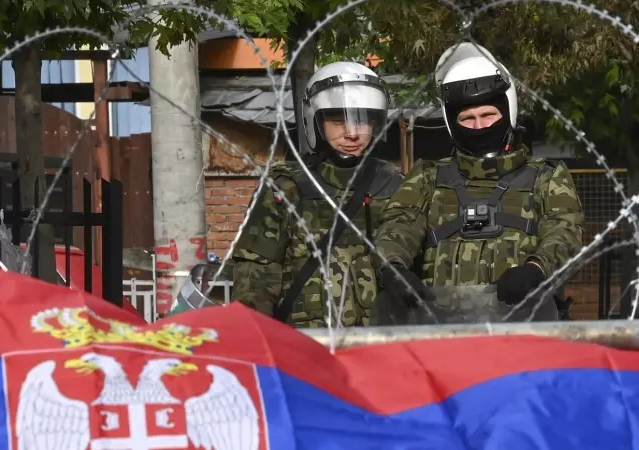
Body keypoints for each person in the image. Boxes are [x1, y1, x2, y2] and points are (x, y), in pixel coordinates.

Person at [374, 43, 584, 324]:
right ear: (452, 123)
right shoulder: (427, 177)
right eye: (467, 118)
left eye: (488, 115)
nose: (479, 126)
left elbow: (565, 231)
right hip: (443, 333)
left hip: (524, 331)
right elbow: (398, 226)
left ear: (507, 113)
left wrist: (537, 267)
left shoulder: (546, 176)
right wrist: (394, 268)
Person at [230, 61, 403, 328]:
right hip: (306, 344)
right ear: (315, 121)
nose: (352, 133)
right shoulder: (286, 186)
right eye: (338, 121)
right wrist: (255, 339)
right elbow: (256, 273)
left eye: (362, 120)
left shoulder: (394, 184)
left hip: (381, 344)